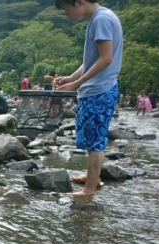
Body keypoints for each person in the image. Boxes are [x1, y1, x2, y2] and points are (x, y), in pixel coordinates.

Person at [54, 0, 123, 196]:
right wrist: (71, 78)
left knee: (95, 142)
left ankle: (89, 189)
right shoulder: (100, 18)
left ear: (79, 2)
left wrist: (77, 84)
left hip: (99, 89)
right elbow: (92, 61)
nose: (67, 15)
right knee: (95, 138)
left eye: (67, 10)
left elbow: (106, 58)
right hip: (99, 87)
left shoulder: (101, 19)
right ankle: (94, 178)